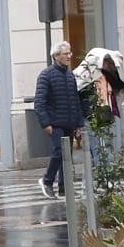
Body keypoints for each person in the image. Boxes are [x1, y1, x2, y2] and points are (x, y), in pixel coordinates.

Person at [33, 45, 84, 197]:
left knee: (67, 155)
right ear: (56, 56)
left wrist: (79, 123)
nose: (69, 56)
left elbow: (76, 101)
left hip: (69, 122)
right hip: (55, 123)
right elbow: (39, 102)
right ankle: (47, 180)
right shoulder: (46, 75)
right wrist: (46, 123)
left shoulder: (70, 76)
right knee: (59, 152)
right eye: (65, 54)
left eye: (70, 53)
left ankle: (65, 187)